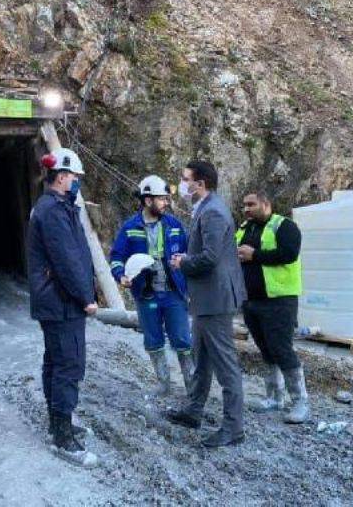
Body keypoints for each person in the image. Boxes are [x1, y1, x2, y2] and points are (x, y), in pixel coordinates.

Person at [166, 160, 247, 448]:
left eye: (186, 179)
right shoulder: (206, 207)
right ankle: (194, 411)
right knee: (201, 358)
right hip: (206, 299)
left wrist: (183, 262)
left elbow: (211, 257)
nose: (182, 184)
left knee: (225, 365)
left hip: (216, 299)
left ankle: (234, 428)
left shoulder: (212, 212)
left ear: (200, 184)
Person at [27, 147, 98, 466]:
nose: (77, 182)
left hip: (55, 299)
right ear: (62, 177)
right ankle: (61, 434)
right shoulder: (54, 210)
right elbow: (67, 260)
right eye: (75, 177)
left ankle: (59, 421)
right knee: (68, 363)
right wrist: (86, 297)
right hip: (61, 300)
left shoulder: (55, 206)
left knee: (56, 360)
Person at [109, 175, 193, 396]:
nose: (166, 203)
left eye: (167, 199)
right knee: (153, 339)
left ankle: (192, 387)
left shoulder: (174, 225)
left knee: (183, 340)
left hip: (174, 293)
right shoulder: (129, 228)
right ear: (148, 201)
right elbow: (116, 257)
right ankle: (164, 385)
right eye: (162, 199)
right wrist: (121, 275)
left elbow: (189, 255)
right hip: (146, 294)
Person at [236, 191, 309, 423]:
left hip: (279, 300)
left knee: (282, 349)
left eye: (251, 204)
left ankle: (300, 402)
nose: (246, 209)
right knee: (266, 350)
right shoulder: (245, 228)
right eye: (244, 205)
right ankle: (275, 398)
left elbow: (289, 254)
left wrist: (254, 254)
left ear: (266, 203)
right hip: (251, 300)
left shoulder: (284, 226)